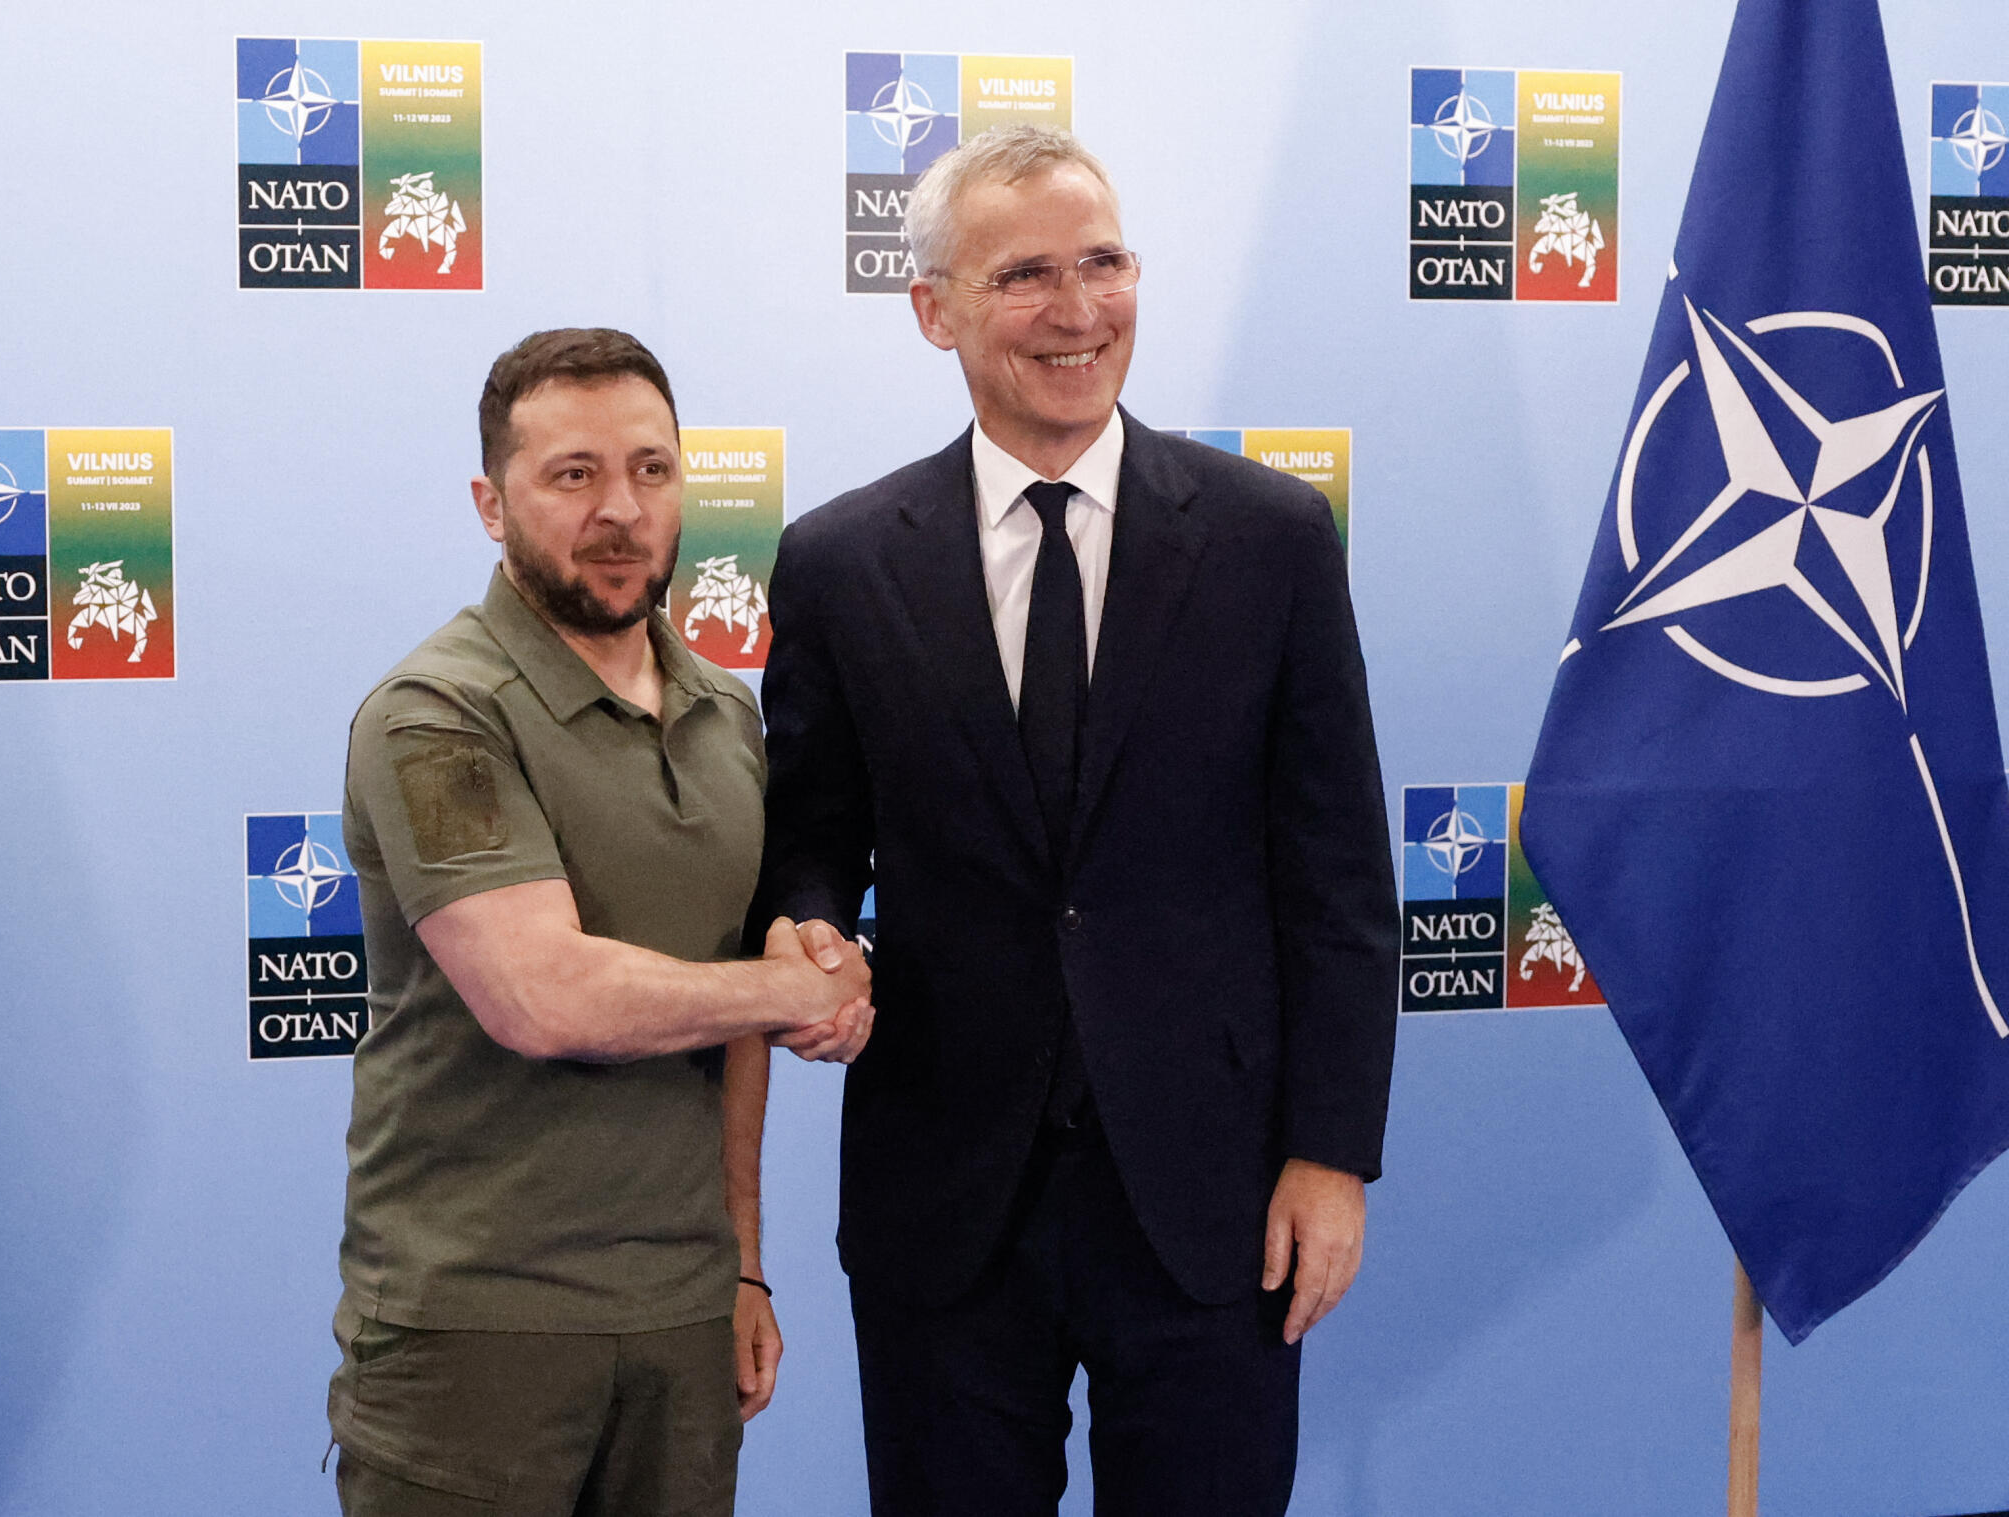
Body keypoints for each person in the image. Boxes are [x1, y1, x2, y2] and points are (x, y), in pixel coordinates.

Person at [751, 126, 1398, 1515]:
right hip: (946, 1199)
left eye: (1102, 263)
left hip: (1215, 1202)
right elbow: (808, 836)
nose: (1077, 310)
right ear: (936, 309)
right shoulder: (840, 563)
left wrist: (1333, 1156)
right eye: (1026, 275)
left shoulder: (1272, 539)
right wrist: (807, 924)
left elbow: (1340, 881)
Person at [329, 327, 872, 1517]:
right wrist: (792, 989)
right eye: (572, 474)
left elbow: (729, 1024)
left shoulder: (725, 710)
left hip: (681, 1317)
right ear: (491, 501)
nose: (619, 509)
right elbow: (541, 994)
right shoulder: (435, 714)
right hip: (477, 1325)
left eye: (650, 469)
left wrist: (739, 1259)